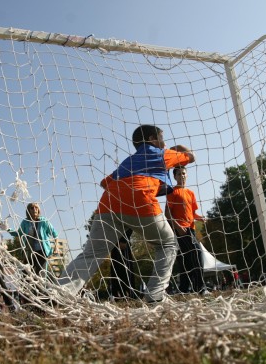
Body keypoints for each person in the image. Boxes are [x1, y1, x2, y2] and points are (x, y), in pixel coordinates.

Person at [58, 124, 196, 303]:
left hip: (108, 203)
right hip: (140, 201)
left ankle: (58, 293)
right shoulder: (163, 153)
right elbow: (191, 156)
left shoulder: (128, 161)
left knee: (92, 253)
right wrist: (177, 149)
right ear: (152, 140)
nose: (164, 142)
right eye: (162, 138)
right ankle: (155, 296)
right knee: (168, 243)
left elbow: (104, 182)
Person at [165, 166, 207, 295]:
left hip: (191, 229)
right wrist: (178, 227)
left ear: (186, 175)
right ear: (175, 177)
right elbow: (167, 214)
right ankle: (201, 288)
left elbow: (192, 213)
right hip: (181, 229)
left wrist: (200, 218)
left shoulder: (190, 193)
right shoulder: (172, 192)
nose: (182, 176)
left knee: (186, 259)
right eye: (179, 174)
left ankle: (184, 289)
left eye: (184, 173)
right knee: (197, 253)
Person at [6, 203, 58, 277]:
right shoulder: (25, 222)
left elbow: (55, 234)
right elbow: (19, 233)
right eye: (32, 208)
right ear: (28, 210)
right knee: (26, 274)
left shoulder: (43, 221)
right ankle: (28, 288)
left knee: (40, 273)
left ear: (38, 210)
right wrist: (8, 229)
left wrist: (56, 247)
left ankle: (40, 288)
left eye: (36, 207)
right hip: (29, 251)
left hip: (42, 251)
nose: (34, 209)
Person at [110, 231, 136, 299]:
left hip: (123, 243)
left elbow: (129, 224)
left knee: (126, 268)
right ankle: (116, 295)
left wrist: (123, 240)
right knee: (115, 270)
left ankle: (131, 295)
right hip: (114, 243)